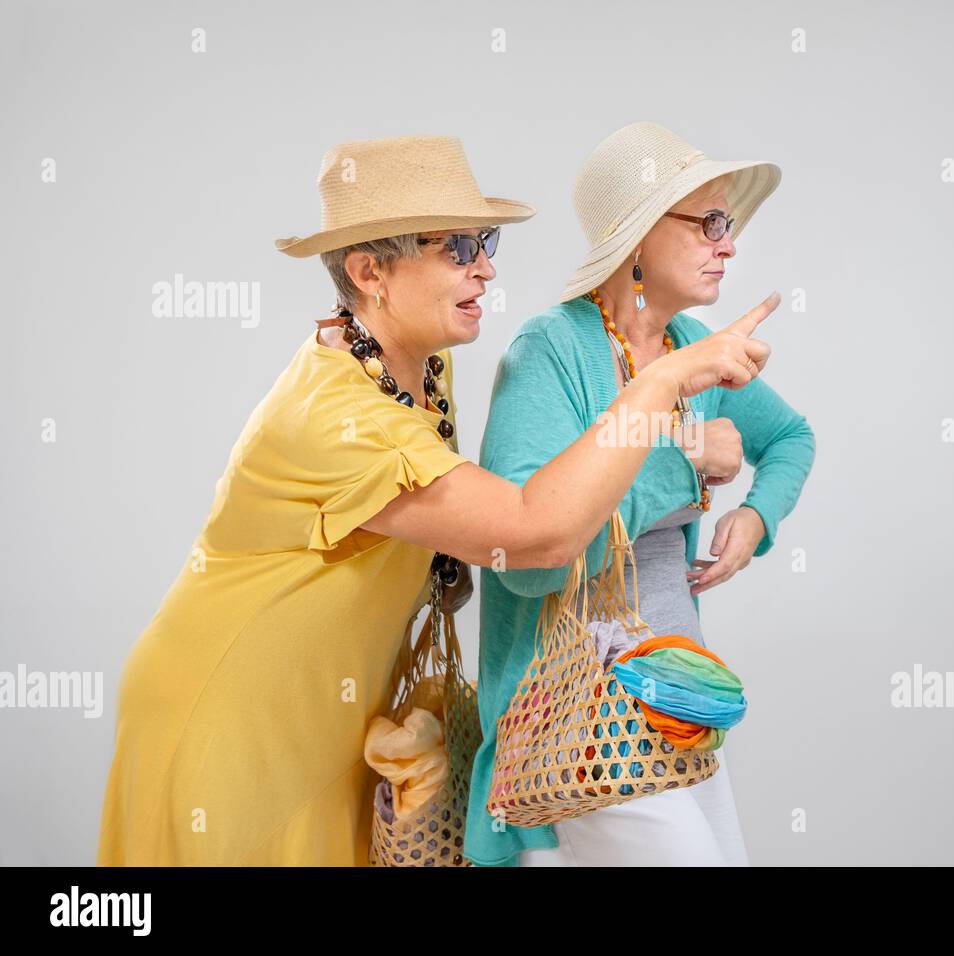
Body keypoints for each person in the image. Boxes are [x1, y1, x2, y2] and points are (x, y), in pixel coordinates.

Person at [96, 134, 778, 865]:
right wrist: (661, 388)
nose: (486, 266)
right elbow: (532, 536)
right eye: (456, 248)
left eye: (484, 241)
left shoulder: (415, 365)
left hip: (344, 723)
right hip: (236, 726)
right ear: (369, 272)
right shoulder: (337, 419)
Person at [468, 122, 816, 867]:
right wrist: (684, 467)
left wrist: (756, 516)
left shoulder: (697, 346)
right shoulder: (551, 352)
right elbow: (526, 560)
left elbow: (793, 439)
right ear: (636, 239)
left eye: (730, 225)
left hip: (671, 701)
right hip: (570, 713)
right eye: (710, 224)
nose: (729, 245)